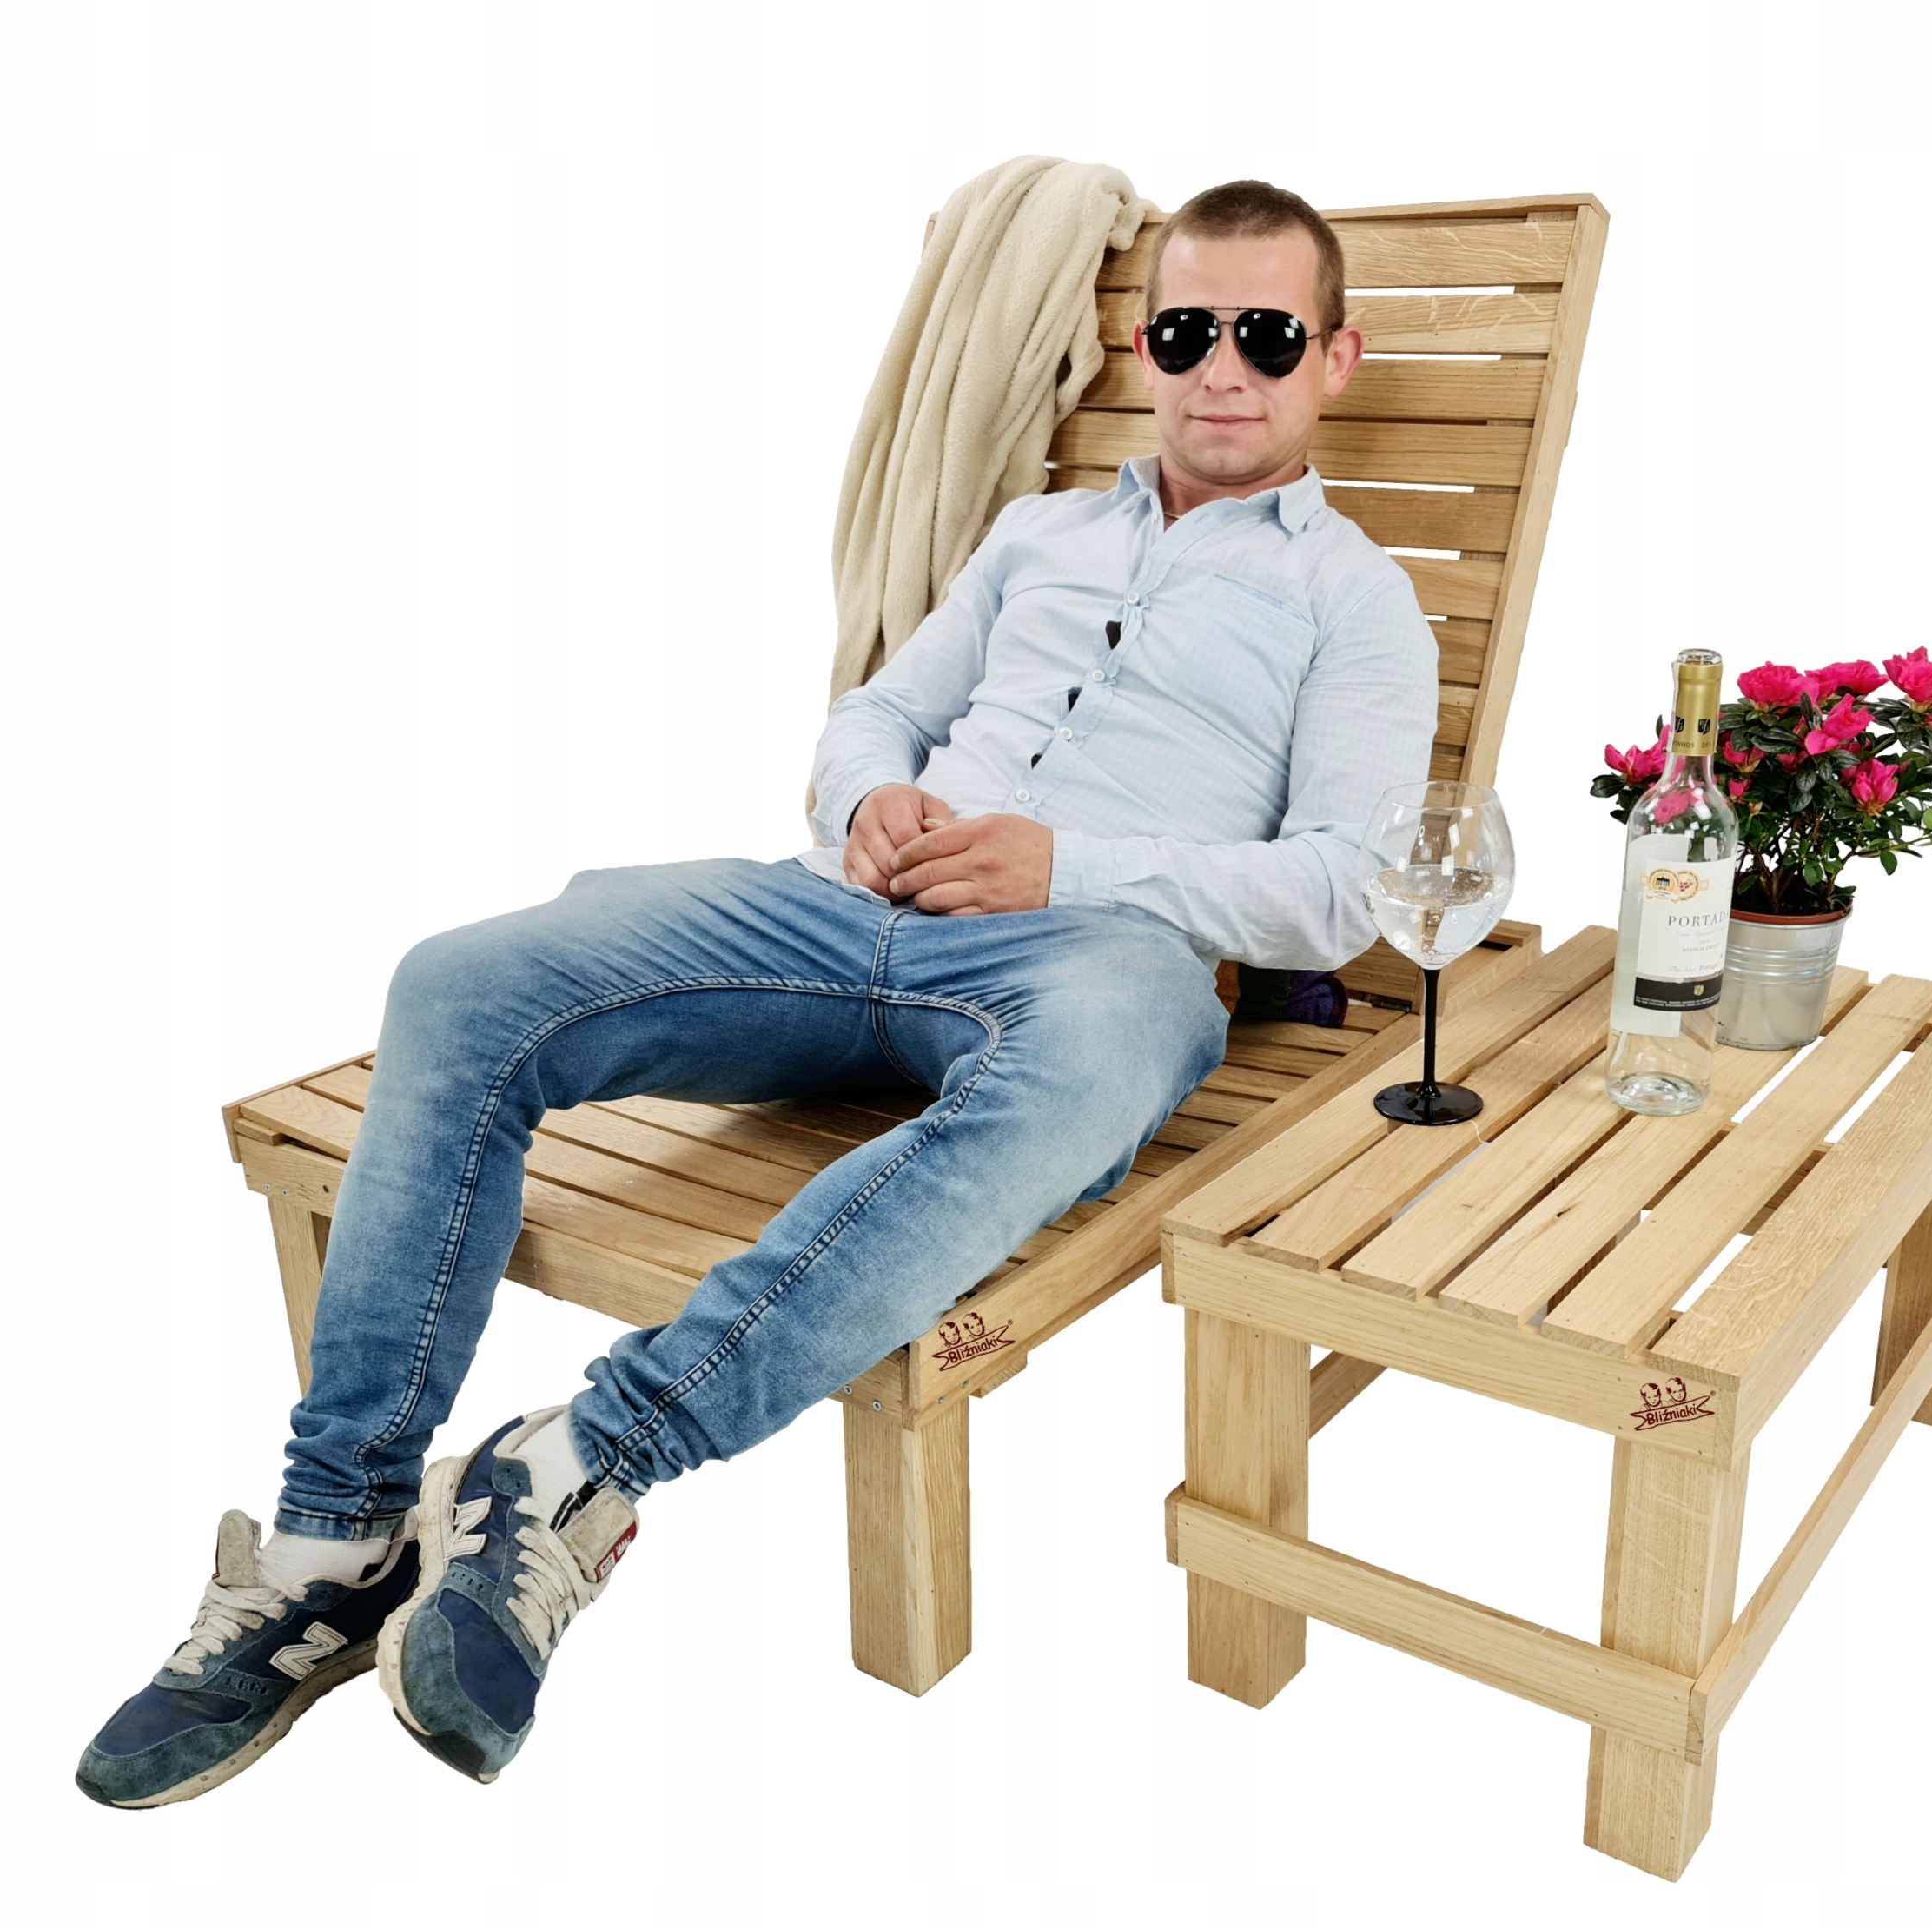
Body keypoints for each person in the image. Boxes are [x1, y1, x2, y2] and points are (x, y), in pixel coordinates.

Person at [77, 178, 1439, 1806]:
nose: (1224, 365)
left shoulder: (1356, 598)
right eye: (1188, 329)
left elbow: (1347, 886)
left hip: (1091, 952)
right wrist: (869, 798)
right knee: (461, 983)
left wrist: (1063, 865)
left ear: (1334, 359)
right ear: (1141, 347)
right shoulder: (1039, 534)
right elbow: (875, 713)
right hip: (840, 907)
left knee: (1093, 1067)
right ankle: (338, 1537)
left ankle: (580, 1467)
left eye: (1268, 335)